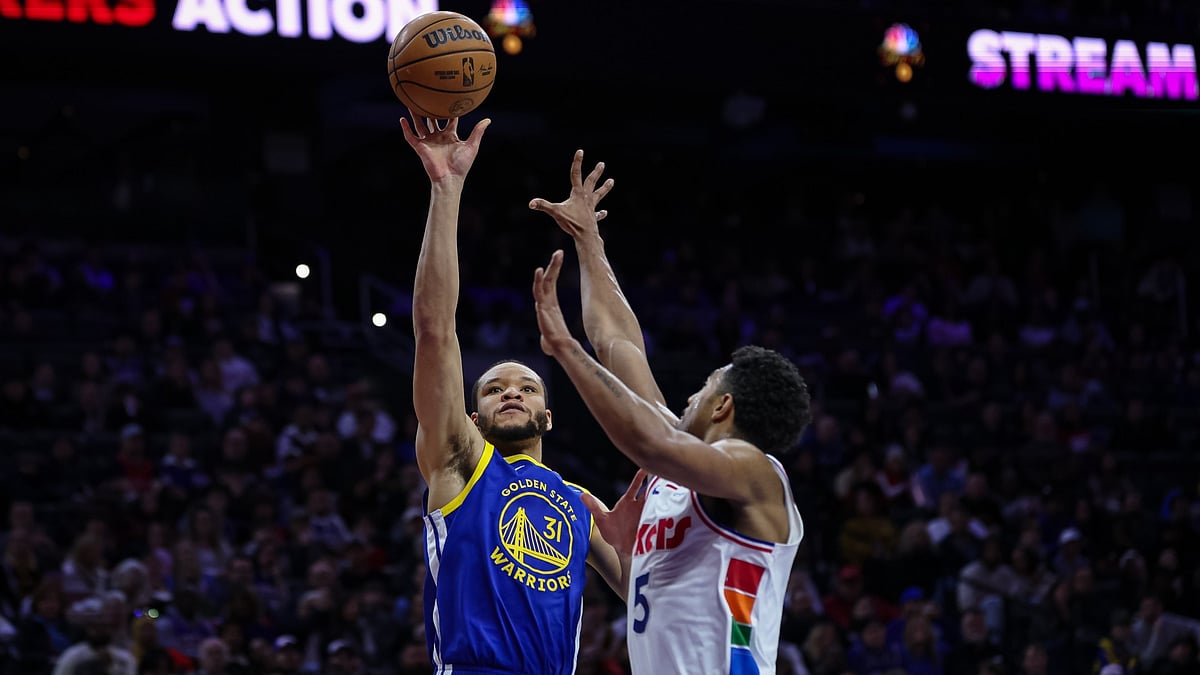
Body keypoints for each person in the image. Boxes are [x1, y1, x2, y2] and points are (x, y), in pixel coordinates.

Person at [528, 150, 812, 674]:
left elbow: (649, 444)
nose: (689, 397)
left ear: (724, 405)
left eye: (705, 387)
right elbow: (617, 343)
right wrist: (589, 240)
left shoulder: (757, 473)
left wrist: (564, 349)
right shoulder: (678, 472)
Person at [399, 116, 622, 675]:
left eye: (527, 387)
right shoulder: (460, 463)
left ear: (549, 416)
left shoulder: (577, 503)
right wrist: (446, 189)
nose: (512, 393)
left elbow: (649, 590)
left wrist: (591, 246)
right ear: (473, 417)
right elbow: (434, 328)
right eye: (495, 389)